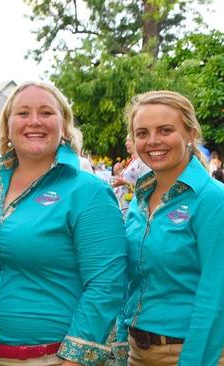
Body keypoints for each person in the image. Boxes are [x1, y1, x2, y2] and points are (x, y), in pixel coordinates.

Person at [0, 81, 127, 366]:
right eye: (23, 113)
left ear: (64, 125)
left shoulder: (87, 192)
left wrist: (74, 360)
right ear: (7, 125)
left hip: (48, 358)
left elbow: (106, 284)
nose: (34, 121)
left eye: (46, 113)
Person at [117, 90, 224, 365]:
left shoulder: (212, 198)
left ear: (190, 134)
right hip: (137, 351)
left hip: (189, 352)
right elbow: (131, 281)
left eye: (165, 130)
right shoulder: (141, 197)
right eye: (142, 133)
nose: (153, 141)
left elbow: (216, 294)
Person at [111, 134, 151, 216]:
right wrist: (117, 172)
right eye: (126, 141)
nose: (126, 143)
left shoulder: (143, 162)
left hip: (134, 207)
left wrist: (124, 182)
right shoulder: (130, 161)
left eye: (129, 140)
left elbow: (147, 186)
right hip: (124, 205)